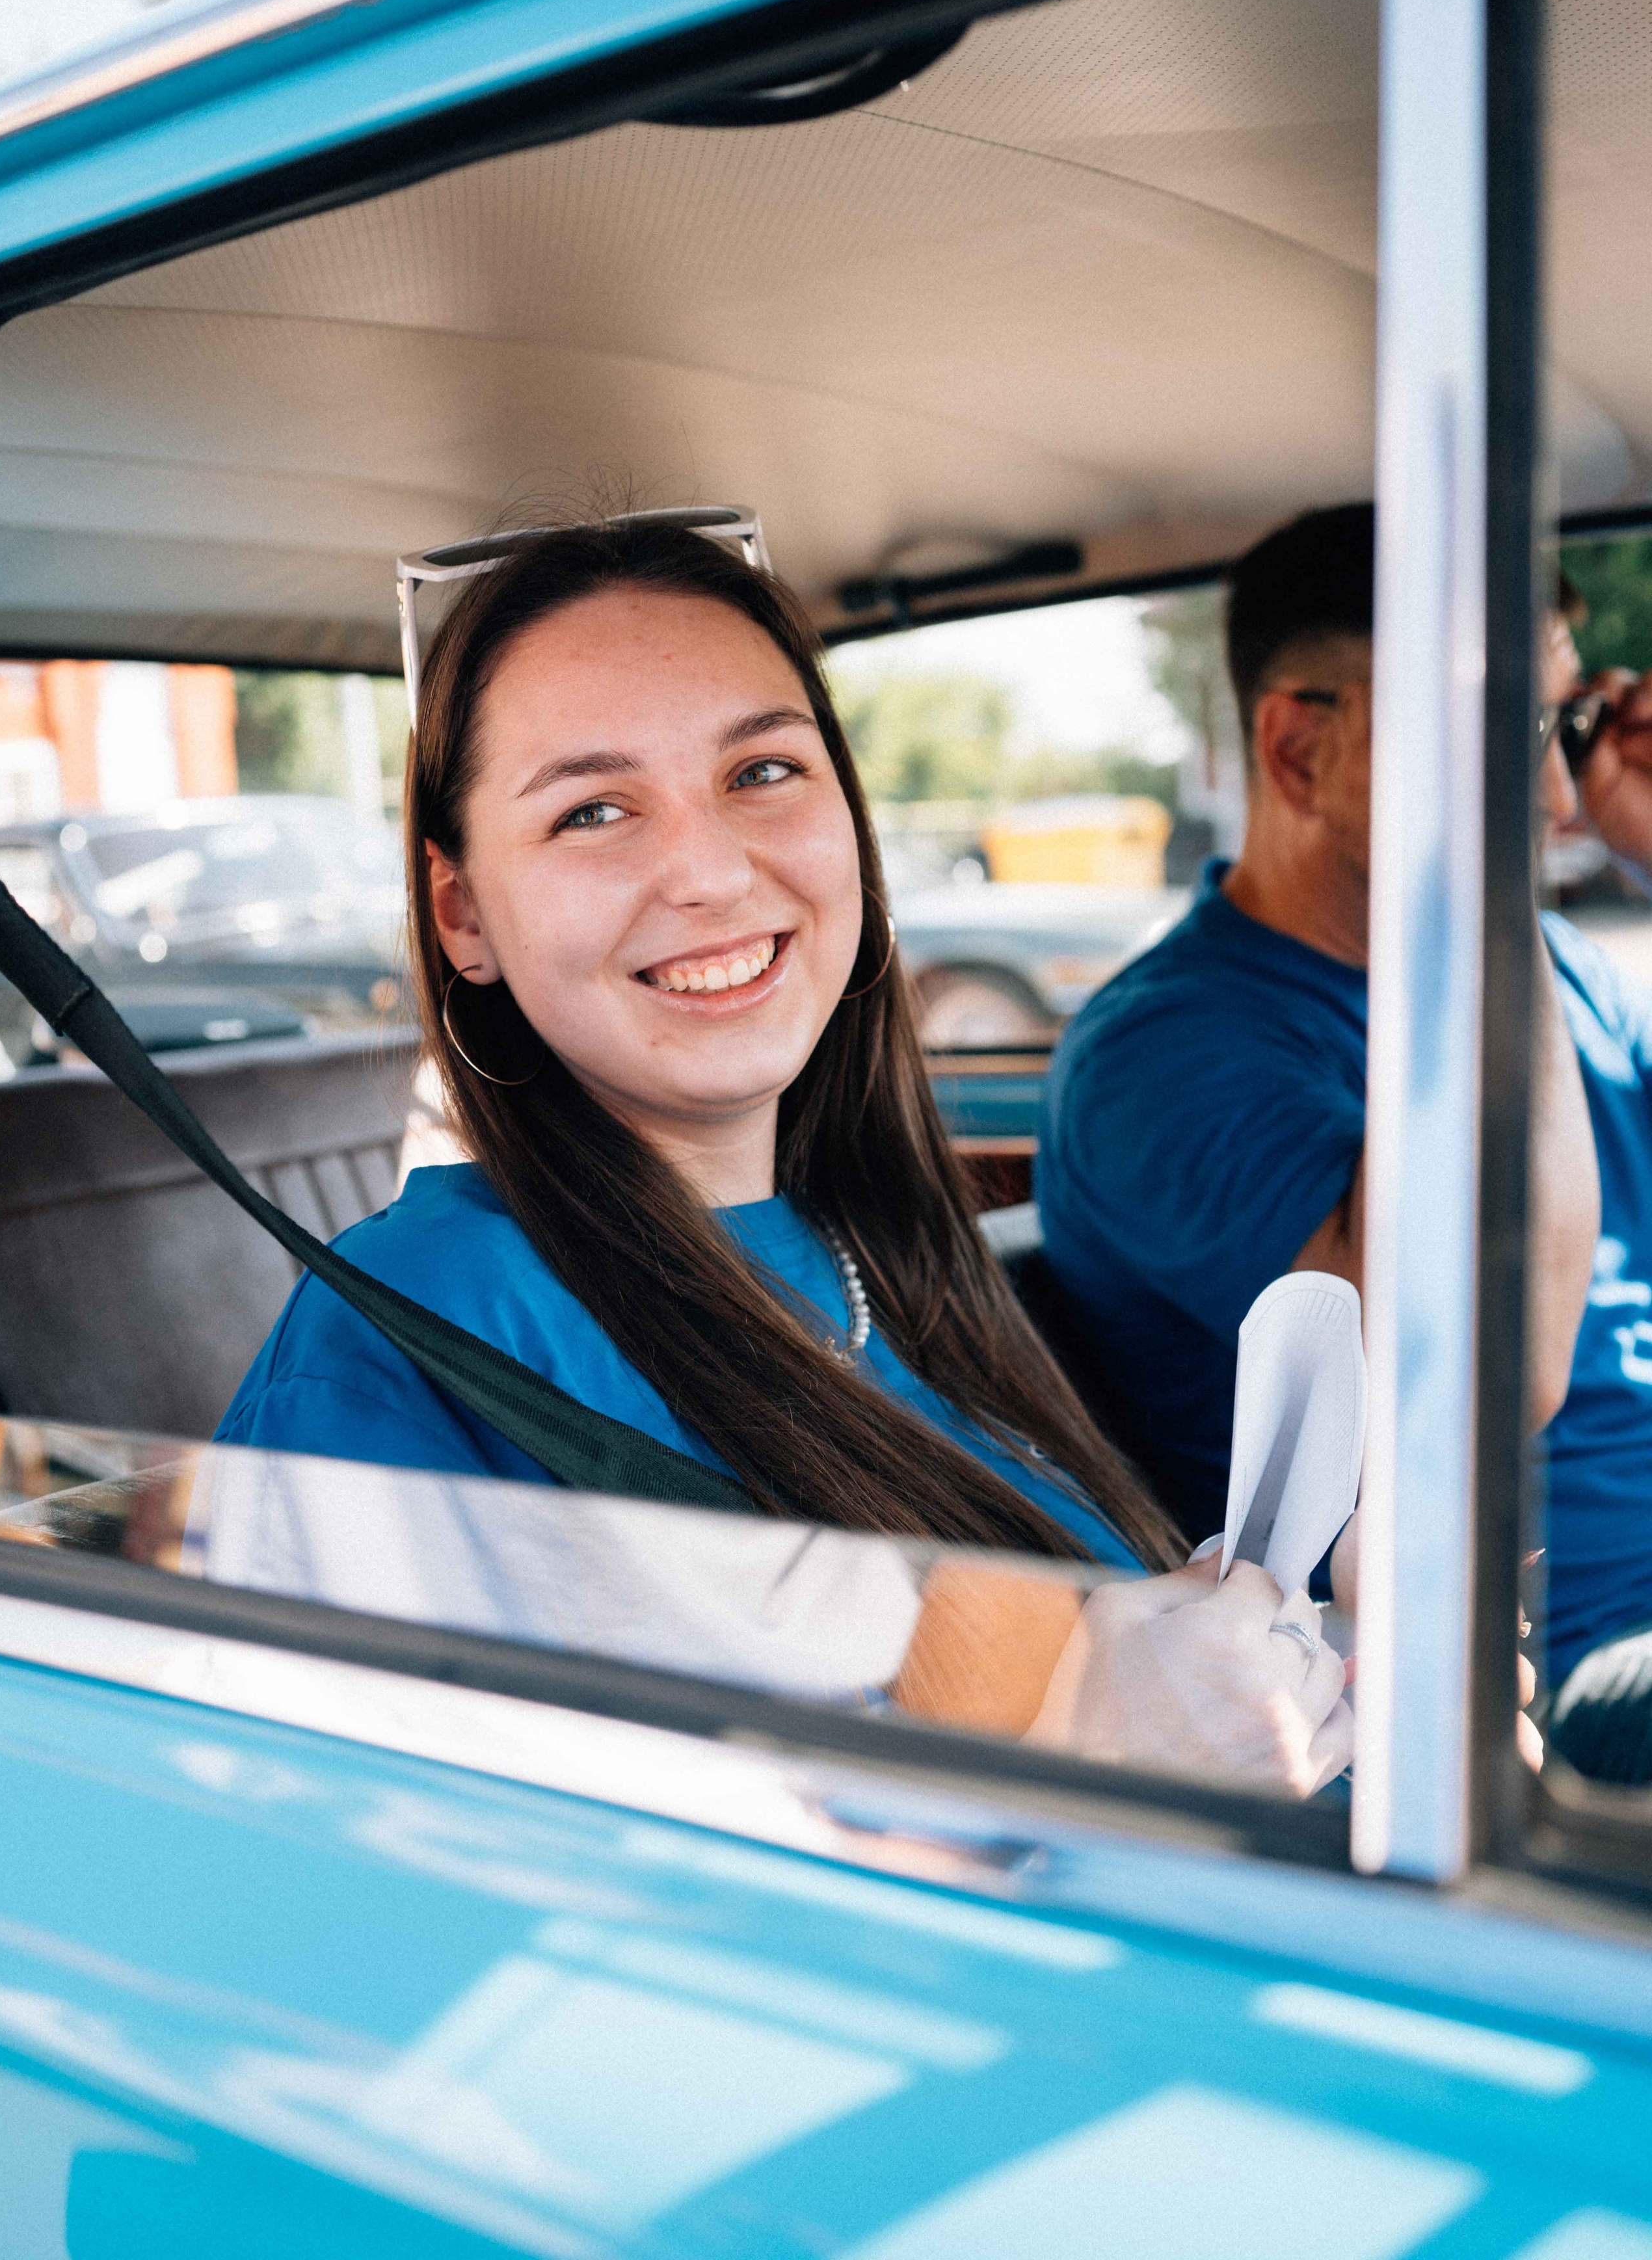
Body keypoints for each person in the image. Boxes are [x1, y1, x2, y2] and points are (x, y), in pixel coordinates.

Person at [217, 516, 1352, 1796]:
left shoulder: (879, 1245)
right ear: (463, 914)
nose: (707, 870)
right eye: (592, 810)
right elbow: (407, 1908)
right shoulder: (410, 1343)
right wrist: (1071, 1760)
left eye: (761, 774)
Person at [1036, 502, 1652, 1751]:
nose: (1555, 793)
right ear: (1303, 753)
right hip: (1530, 1664)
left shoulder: (1559, 967)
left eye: (1563, 723)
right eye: (1506, 731)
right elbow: (1487, 1368)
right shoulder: (1165, 1055)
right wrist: (1482, 871)